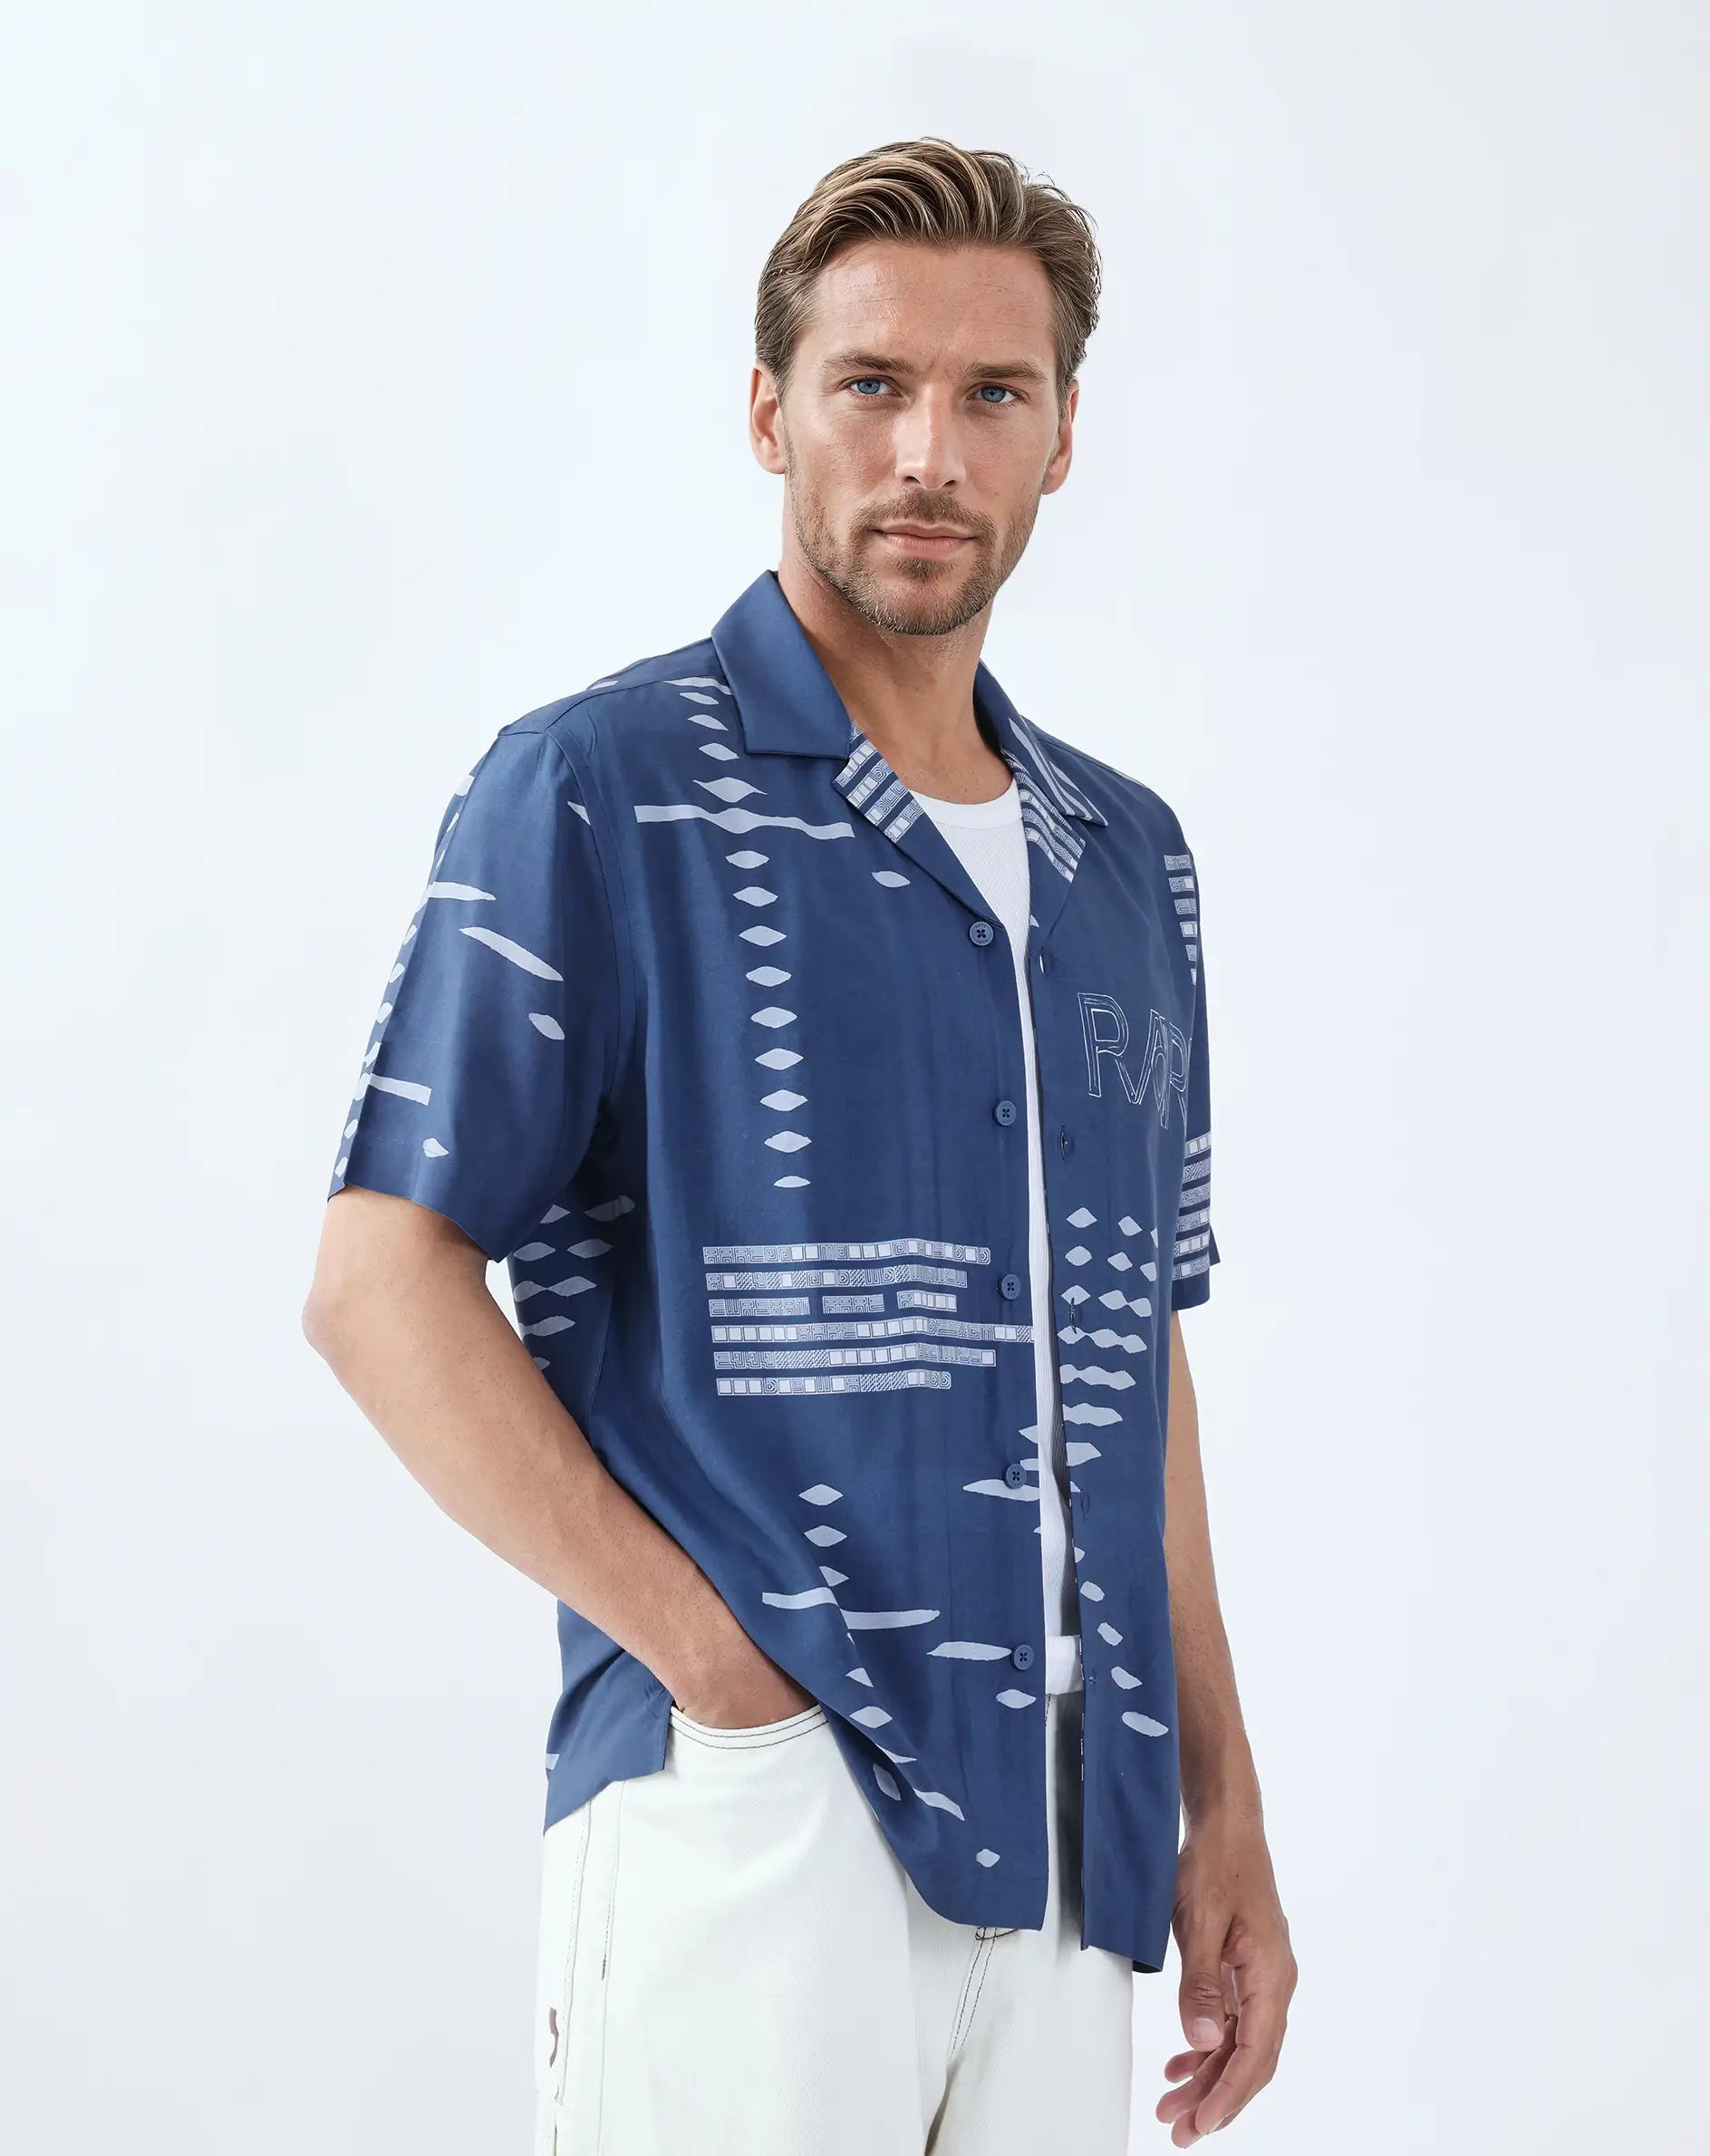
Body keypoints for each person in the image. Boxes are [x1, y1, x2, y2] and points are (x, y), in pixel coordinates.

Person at [303, 135, 1295, 2155]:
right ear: (770, 411)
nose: (930, 452)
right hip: (758, 1813)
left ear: (1063, 437)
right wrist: (715, 1667)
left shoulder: (1129, 862)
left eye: (992, 393)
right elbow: (378, 1281)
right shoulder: (597, 789)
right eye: (872, 384)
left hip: (1078, 1845)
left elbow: (1133, 1350)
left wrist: (1223, 1796)